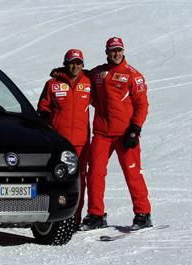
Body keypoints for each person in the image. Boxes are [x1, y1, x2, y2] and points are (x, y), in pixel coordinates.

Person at [81, 37, 152, 231]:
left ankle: (143, 214)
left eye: (119, 50)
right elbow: (79, 75)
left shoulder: (132, 75)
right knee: (95, 172)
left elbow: (142, 104)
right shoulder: (98, 73)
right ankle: (96, 215)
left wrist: (135, 129)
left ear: (123, 51)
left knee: (132, 173)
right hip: (102, 133)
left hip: (125, 134)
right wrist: (61, 73)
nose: (116, 53)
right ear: (107, 52)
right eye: (112, 50)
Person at [38, 49, 92, 228]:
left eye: (78, 62)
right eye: (71, 62)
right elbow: (43, 110)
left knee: (79, 180)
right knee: (56, 178)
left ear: (82, 65)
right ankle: (55, 216)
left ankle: (75, 218)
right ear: (65, 63)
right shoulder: (52, 84)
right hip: (59, 143)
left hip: (81, 142)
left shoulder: (89, 82)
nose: (75, 66)